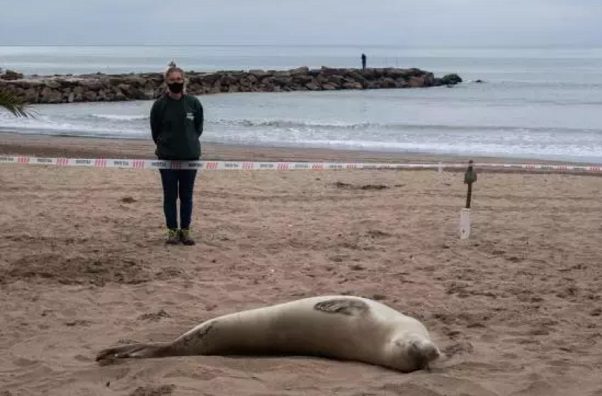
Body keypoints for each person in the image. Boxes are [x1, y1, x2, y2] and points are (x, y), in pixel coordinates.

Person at [150, 62, 204, 245]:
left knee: (187, 196)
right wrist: (167, 147)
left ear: (184, 80)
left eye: (179, 79)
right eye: (172, 79)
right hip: (167, 159)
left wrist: (188, 143)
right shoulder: (159, 105)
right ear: (166, 81)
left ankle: (185, 231)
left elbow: (198, 128)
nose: (176, 82)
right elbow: (155, 131)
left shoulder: (193, 103)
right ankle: (172, 231)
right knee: (170, 196)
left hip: (190, 158)